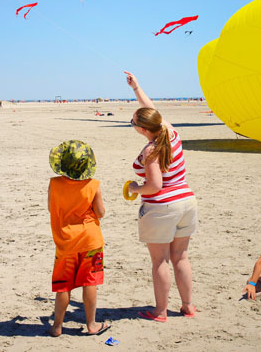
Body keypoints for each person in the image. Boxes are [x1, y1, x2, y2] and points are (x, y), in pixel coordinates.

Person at [123, 72, 197, 321]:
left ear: (142, 129)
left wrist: (135, 188)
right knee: (181, 257)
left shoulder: (151, 149)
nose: (132, 123)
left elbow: (155, 185)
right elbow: (150, 109)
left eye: (132, 122)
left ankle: (161, 311)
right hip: (187, 202)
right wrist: (136, 88)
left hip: (164, 207)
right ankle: (187, 306)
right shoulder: (170, 132)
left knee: (160, 262)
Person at [47, 140, 110, 337]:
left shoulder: (54, 183)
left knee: (63, 285)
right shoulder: (93, 185)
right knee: (90, 282)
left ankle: (57, 326)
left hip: (65, 241)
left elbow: (51, 208)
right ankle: (91, 324)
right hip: (90, 239)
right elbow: (100, 213)